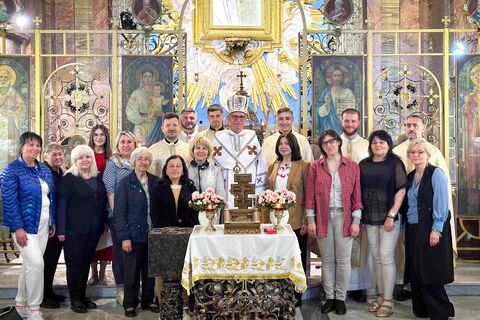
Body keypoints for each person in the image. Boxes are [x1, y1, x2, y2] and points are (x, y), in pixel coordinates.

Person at [393, 114, 456, 301]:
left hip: (428, 221)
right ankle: (406, 285)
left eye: (415, 125)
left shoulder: (434, 152)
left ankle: (435, 303)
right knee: (412, 259)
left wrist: (437, 226)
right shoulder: (397, 152)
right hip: (409, 219)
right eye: (408, 125)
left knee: (428, 264)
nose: (411, 128)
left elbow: (441, 192)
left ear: (423, 128)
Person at [305, 130, 362, 315]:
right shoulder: (315, 166)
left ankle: (340, 298)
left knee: (343, 260)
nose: (329, 145)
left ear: (338, 142)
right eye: (325, 143)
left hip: (345, 217)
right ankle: (329, 297)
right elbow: (310, 197)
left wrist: (356, 221)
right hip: (323, 216)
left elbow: (357, 197)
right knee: (327, 260)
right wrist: (311, 220)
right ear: (321, 147)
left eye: (332, 141)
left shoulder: (352, 166)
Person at [1, 132, 55, 320]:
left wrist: (52, 221)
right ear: (21, 146)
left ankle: (21, 304)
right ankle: (34, 309)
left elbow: (50, 198)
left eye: (38, 145)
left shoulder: (44, 170)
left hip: (43, 224)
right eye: (30, 144)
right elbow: (9, 201)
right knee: (37, 264)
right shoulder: (12, 170)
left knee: (29, 266)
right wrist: (18, 227)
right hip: (24, 227)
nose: (35, 148)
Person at [402, 139, 455, 320]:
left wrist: (436, 229)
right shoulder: (410, 176)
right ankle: (422, 309)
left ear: (428, 154)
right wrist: (404, 230)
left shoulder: (436, 174)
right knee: (416, 270)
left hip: (430, 229)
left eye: (420, 152)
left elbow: (441, 204)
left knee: (430, 271)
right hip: (413, 229)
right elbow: (408, 205)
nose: (416, 155)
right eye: (413, 152)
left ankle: (441, 312)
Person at [359, 130, 407, 317]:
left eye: (382, 142)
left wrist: (392, 215)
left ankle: (388, 300)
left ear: (389, 144)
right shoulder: (363, 164)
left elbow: (401, 190)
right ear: (370, 146)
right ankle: (380, 295)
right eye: (374, 143)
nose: (378, 145)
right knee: (376, 257)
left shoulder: (394, 163)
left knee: (386, 257)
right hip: (369, 215)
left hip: (389, 216)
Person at [57, 145, 107, 314]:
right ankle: (75, 299)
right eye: (81, 157)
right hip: (73, 231)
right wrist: (61, 231)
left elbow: (102, 203)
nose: (85, 160)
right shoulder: (69, 178)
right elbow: (62, 206)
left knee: (85, 262)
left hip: (93, 230)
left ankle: (82, 295)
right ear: (75, 161)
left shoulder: (97, 177)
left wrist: (104, 224)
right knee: (74, 265)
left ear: (92, 158)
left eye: (88, 156)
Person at [114, 147, 160, 318]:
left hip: (152, 234)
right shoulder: (125, 183)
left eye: (147, 159)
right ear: (134, 160)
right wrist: (124, 237)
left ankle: (148, 300)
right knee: (131, 271)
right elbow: (119, 213)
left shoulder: (155, 181)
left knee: (149, 270)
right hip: (133, 235)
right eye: (140, 159)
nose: (143, 162)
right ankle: (130, 303)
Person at [267, 132, 310, 306]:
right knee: (278, 256)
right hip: (275, 220)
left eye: (287, 143)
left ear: (294, 145)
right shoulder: (273, 165)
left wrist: (307, 219)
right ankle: (280, 291)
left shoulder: (304, 165)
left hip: (296, 219)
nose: (283, 146)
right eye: (281, 143)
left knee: (297, 257)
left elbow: (309, 194)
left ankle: (297, 293)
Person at [339, 108, 372, 303]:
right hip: (339, 201)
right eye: (346, 121)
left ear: (359, 122)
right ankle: (341, 286)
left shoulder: (367, 145)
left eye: (353, 121)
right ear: (341, 121)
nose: (349, 124)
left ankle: (359, 286)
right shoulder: (334, 142)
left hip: (362, 199)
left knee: (362, 242)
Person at [103, 130, 137, 305]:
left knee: (134, 253)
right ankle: (121, 290)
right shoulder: (112, 165)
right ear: (117, 145)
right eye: (122, 142)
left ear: (134, 144)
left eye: (129, 142)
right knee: (120, 253)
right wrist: (119, 217)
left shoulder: (139, 162)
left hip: (137, 218)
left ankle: (133, 289)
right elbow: (110, 192)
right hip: (118, 216)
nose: (126, 145)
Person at [212, 104, 267, 209]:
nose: (238, 120)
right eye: (234, 116)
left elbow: (261, 164)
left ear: (245, 119)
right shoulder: (219, 138)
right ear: (228, 119)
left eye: (241, 117)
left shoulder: (252, 137)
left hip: (249, 186)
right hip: (226, 185)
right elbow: (213, 165)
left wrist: (259, 190)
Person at [41, 143, 66, 309]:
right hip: (47, 225)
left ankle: (49, 292)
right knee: (46, 261)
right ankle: (42, 297)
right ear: (45, 157)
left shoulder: (61, 173)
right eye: (53, 154)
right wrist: (52, 222)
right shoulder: (43, 173)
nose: (57, 157)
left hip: (58, 224)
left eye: (60, 154)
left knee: (52, 261)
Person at [87, 124, 113, 287]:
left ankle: (103, 273)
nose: (98, 137)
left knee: (105, 238)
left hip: (107, 200)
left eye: (102, 134)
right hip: (90, 202)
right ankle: (93, 273)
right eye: (95, 134)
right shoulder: (86, 154)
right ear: (92, 137)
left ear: (106, 137)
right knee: (91, 239)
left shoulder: (111, 157)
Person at [187, 135, 226, 224]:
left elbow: (221, 194)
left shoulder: (216, 170)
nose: (201, 151)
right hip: (189, 216)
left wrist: (213, 210)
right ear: (193, 150)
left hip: (210, 215)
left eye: (204, 148)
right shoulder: (185, 169)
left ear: (208, 152)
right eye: (198, 148)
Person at [151, 155, 198, 228]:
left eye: (178, 166)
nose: (175, 169)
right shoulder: (157, 188)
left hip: (187, 230)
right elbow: (155, 213)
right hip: (164, 232)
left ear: (183, 171)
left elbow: (195, 213)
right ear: (166, 171)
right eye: (171, 166)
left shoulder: (191, 188)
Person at [316, 66, 356, 135]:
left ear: (343, 77)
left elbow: (353, 110)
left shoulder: (348, 92)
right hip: (330, 125)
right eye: (335, 76)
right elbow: (319, 112)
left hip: (344, 124)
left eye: (339, 76)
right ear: (332, 77)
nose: (337, 78)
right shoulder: (326, 92)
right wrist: (327, 104)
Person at [0, 66, 27, 167]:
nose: (3, 80)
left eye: (5, 78)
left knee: (9, 155)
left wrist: (13, 114)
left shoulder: (13, 93)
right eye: (1, 77)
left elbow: (22, 108)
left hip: (10, 128)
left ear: (10, 79)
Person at [148, 112, 190, 177]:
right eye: (168, 125)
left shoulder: (188, 149)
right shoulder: (152, 150)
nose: (171, 128)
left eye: (174, 125)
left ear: (180, 128)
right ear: (162, 128)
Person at [125, 69, 158, 145]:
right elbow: (130, 111)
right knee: (140, 147)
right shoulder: (136, 94)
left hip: (154, 124)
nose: (147, 79)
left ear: (153, 78)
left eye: (149, 76)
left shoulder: (157, 93)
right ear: (141, 78)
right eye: (145, 76)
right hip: (140, 125)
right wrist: (143, 118)